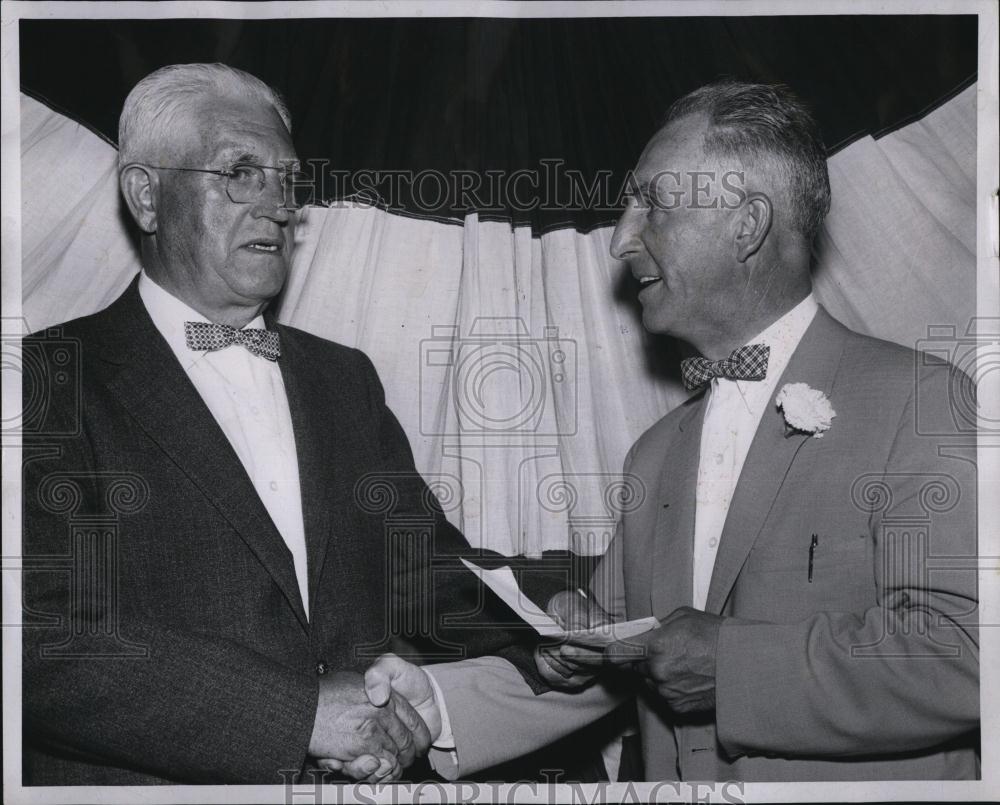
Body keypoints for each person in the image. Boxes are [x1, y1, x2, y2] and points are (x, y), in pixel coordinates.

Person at [368, 79, 981, 781]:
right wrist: (438, 708)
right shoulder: (656, 455)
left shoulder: (922, 403)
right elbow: (614, 664)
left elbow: (970, 653)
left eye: (651, 204)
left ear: (746, 225)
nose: (621, 239)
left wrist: (729, 665)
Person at [20, 63, 552, 785]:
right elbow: (37, 637)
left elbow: (425, 570)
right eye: (240, 171)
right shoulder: (44, 377)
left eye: (287, 180)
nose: (275, 204)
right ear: (146, 195)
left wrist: (558, 619)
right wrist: (296, 715)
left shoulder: (343, 379)